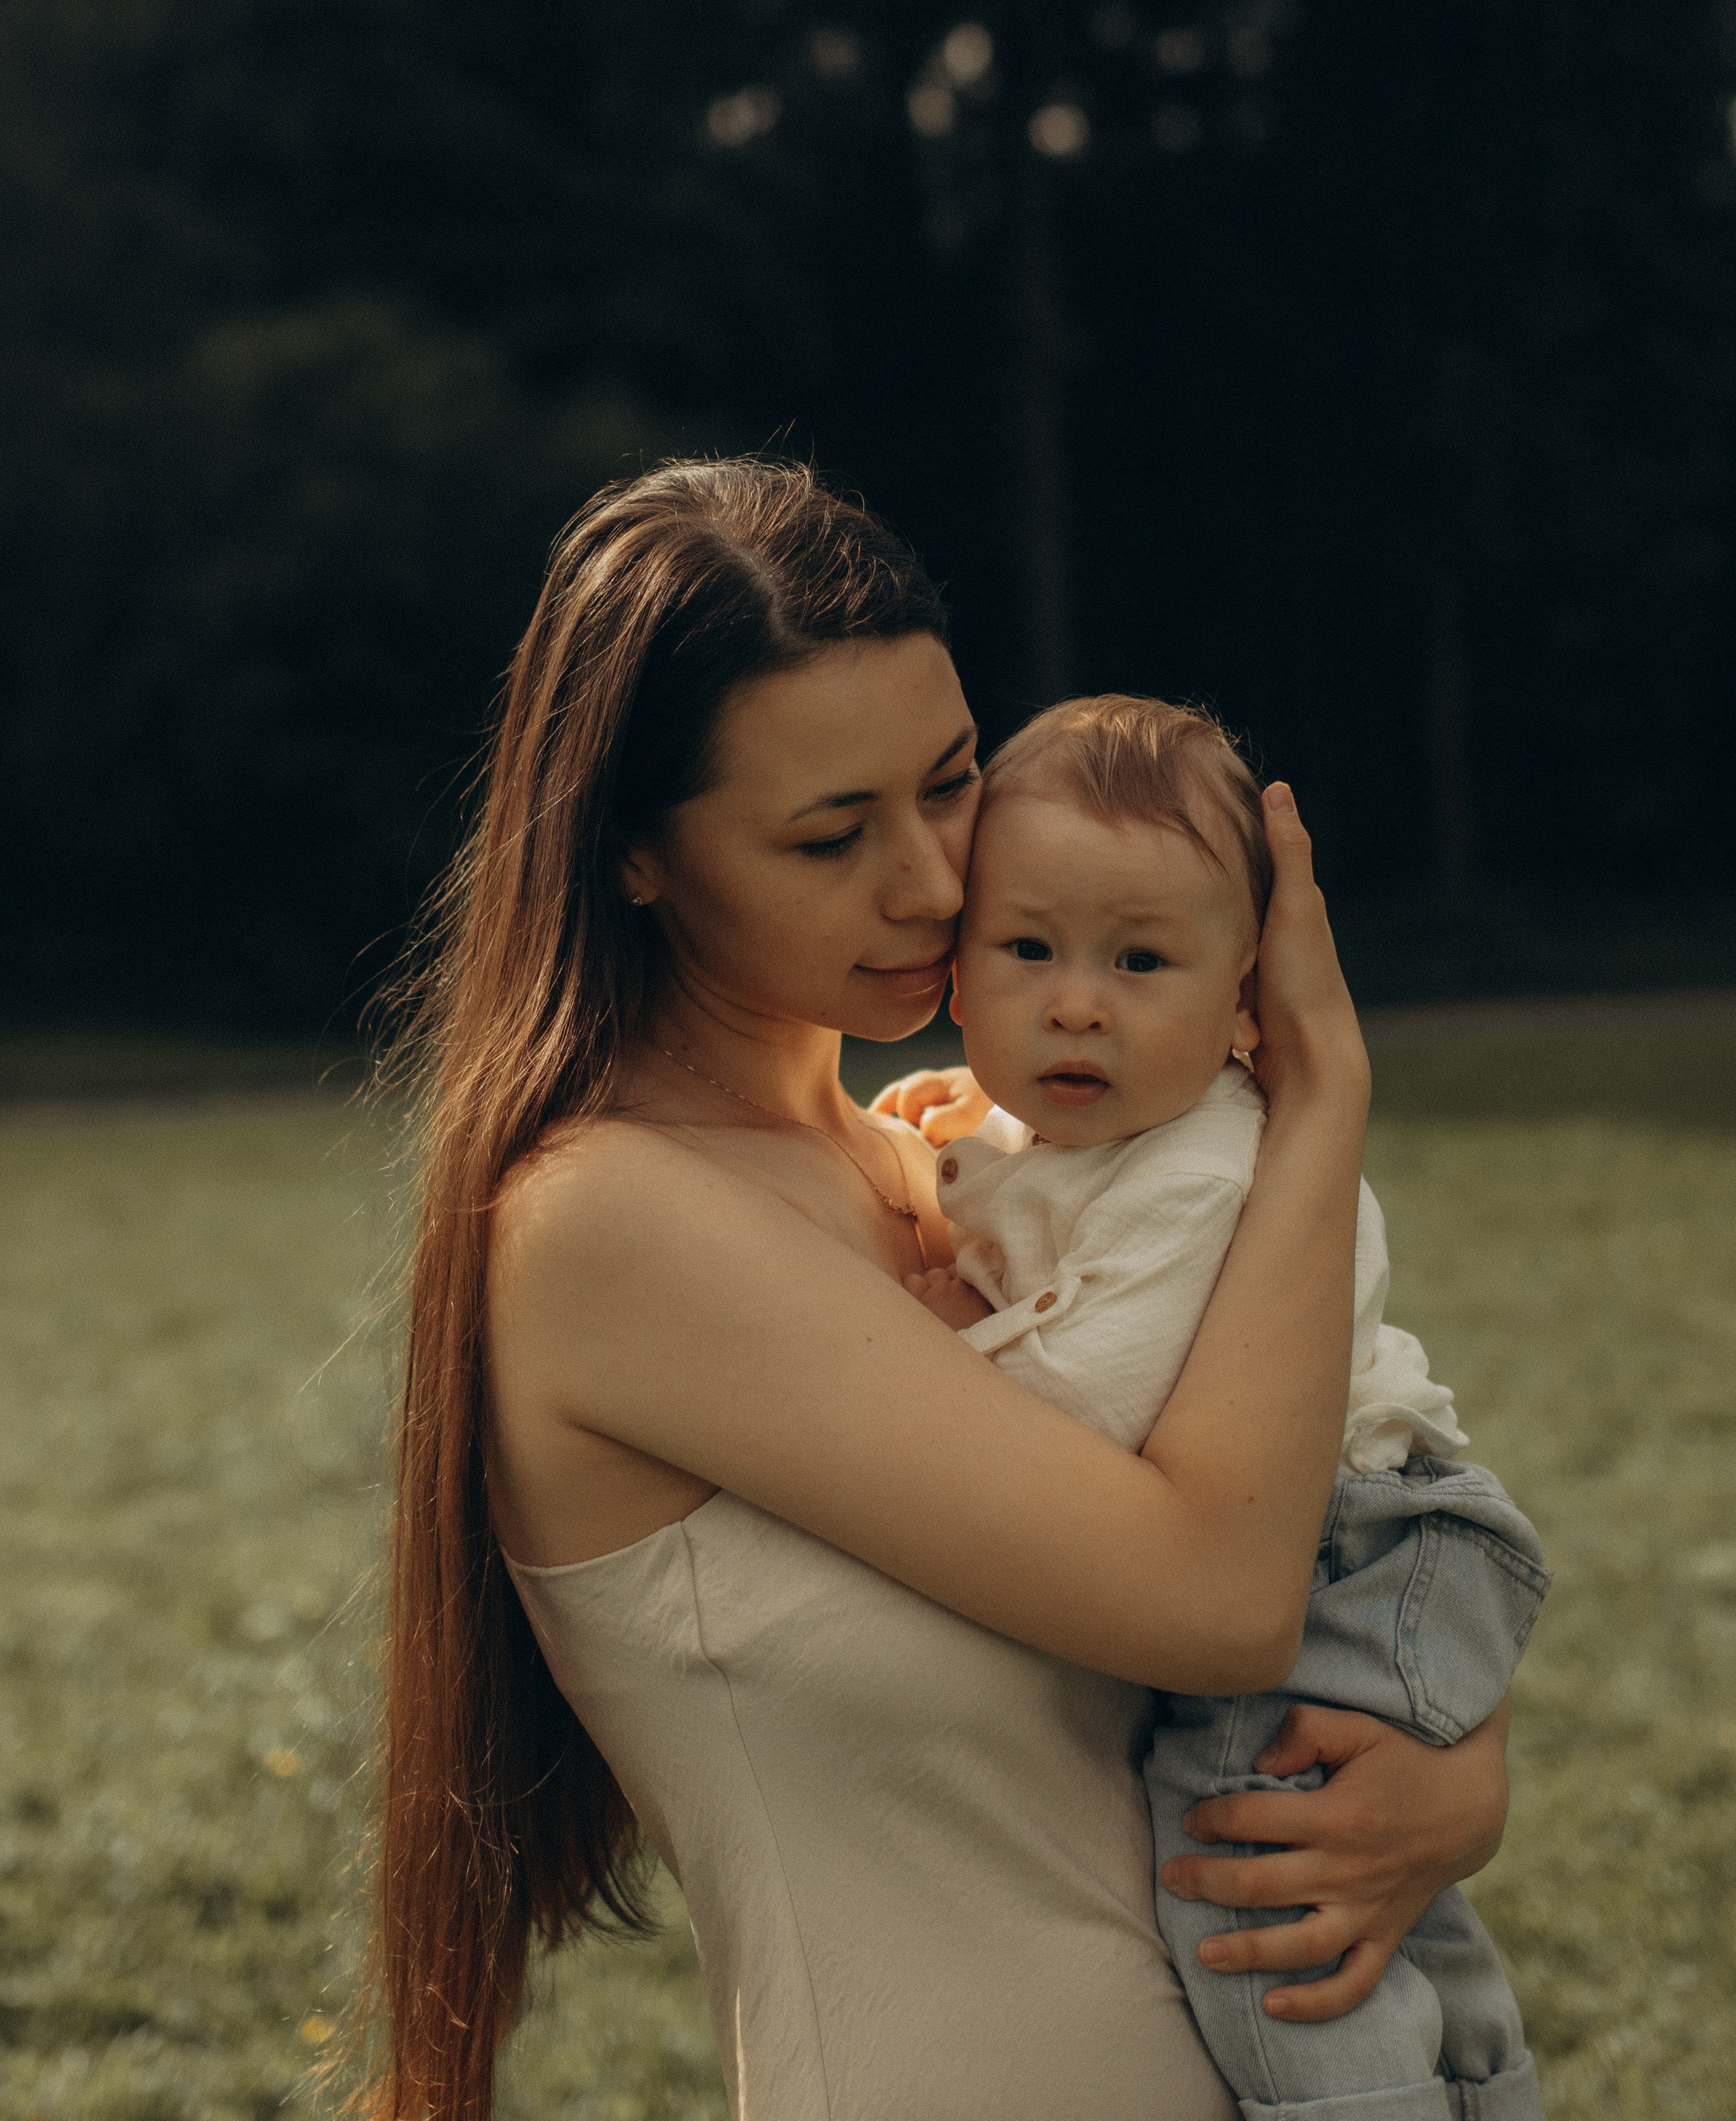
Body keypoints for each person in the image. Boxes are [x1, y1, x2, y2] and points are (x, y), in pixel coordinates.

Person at [350, 459, 1515, 2121]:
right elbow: (1208, 1592)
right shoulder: (612, 1225)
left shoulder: (950, 1169)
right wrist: (1315, 1098)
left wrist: (1439, 1766)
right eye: (831, 834)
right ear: (628, 857)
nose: (928, 880)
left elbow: (1268, 1582)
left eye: (953, 782)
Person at [898, 693, 1548, 2121]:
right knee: (1374, 1880)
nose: (1075, 1001)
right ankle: (1478, 2082)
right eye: (1028, 950)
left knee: (1255, 1887)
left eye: (1140, 960)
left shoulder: (1205, 1170)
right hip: (1356, 1529)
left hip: (1355, 1543)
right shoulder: (1036, 1126)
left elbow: (1091, 1403)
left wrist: (945, 1336)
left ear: (1243, 1002)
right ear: (957, 970)